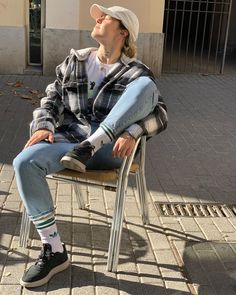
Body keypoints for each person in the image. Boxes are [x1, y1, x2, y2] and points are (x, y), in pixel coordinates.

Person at [13, 4, 168, 288]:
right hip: (70, 146)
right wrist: (44, 125)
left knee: (147, 87)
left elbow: (159, 113)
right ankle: (54, 249)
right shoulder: (75, 62)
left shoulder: (135, 73)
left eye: (105, 17)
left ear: (123, 32)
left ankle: (92, 144)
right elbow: (51, 99)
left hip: (109, 150)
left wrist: (133, 131)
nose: (97, 19)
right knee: (24, 162)